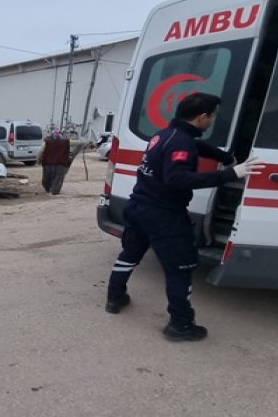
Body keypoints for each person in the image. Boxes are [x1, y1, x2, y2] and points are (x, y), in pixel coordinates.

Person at [104, 93, 263, 342]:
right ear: (202, 117)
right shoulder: (182, 143)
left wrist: (224, 157)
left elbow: (195, 145)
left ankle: (114, 298)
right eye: (212, 117)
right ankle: (181, 325)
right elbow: (177, 179)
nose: (211, 120)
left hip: (138, 208)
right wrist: (232, 173)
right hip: (164, 216)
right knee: (179, 269)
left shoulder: (164, 134)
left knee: (129, 255)